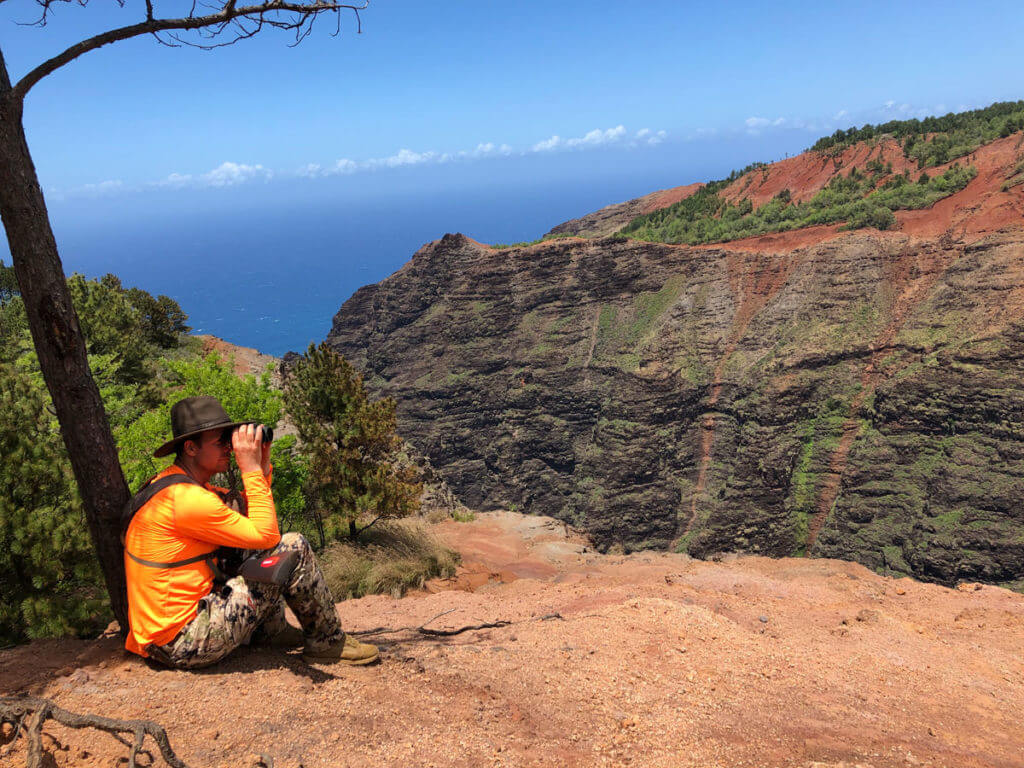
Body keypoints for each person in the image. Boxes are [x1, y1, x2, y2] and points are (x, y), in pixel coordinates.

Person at [123, 395, 379, 668]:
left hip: (163, 636)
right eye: (220, 441)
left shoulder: (175, 486)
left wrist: (262, 464)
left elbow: (249, 511)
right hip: (184, 641)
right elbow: (267, 535)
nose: (229, 448)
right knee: (293, 546)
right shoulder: (186, 499)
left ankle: (271, 632)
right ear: (191, 448)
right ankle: (328, 643)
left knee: (249, 546)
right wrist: (250, 469)